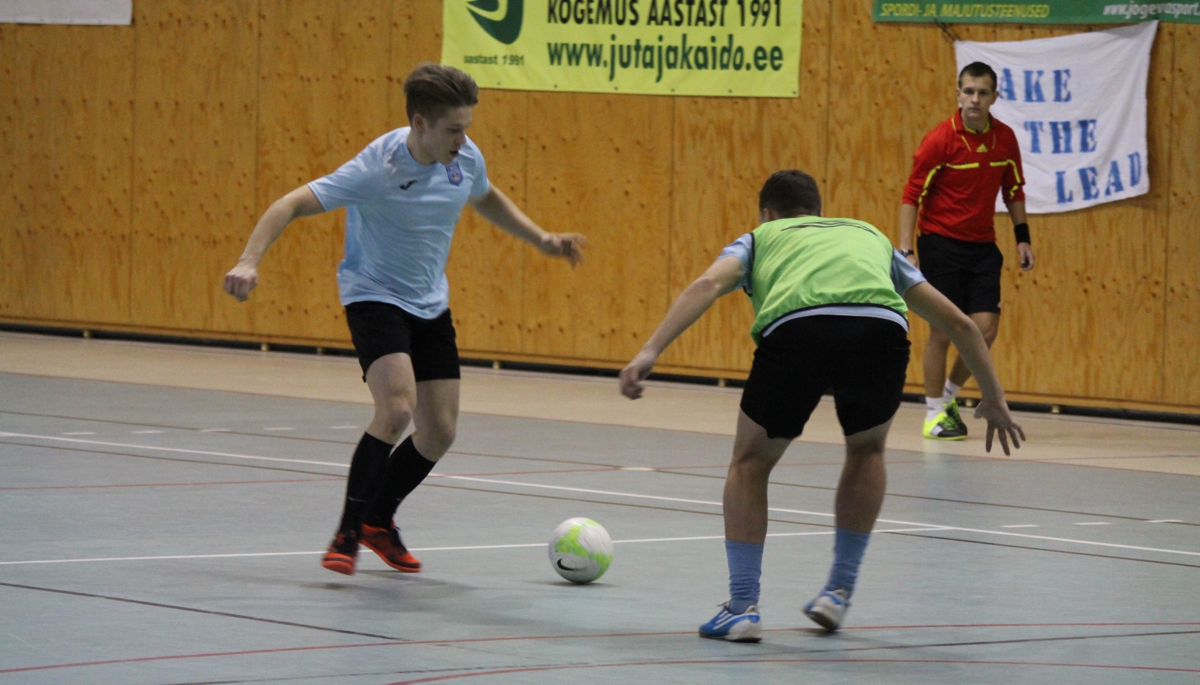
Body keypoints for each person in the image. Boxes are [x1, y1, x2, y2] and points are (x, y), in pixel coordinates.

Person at [619, 170, 1024, 639]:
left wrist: (650, 351)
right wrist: (993, 396)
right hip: (881, 332)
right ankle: (838, 592)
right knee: (867, 451)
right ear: (819, 211)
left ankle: (743, 607)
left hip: (799, 330)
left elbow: (707, 285)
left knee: (750, 463)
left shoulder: (760, 238)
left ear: (767, 213)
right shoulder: (870, 237)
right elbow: (960, 323)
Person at [223, 63, 587, 576]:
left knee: (439, 432)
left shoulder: (464, 157)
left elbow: (484, 195)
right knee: (396, 409)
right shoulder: (378, 167)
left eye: (467, 127)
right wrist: (249, 261)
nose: (464, 139)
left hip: (430, 301)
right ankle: (348, 532)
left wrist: (541, 238)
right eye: (453, 129)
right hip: (374, 295)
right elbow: (290, 203)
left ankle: (379, 520)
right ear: (420, 123)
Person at [898, 61, 1036, 441]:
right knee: (943, 331)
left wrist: (1022, 237)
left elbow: (1013, 190)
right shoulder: (940, 140)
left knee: (984, 331)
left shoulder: (1005, 139)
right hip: (940, 243)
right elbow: (912, 194)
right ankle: (933, 414)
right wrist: (906, 249)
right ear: (958, 94)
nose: (975, 99)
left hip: (982, 247)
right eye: (969, 91)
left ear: (994, 97)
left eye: (982, 93)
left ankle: (948, 398)